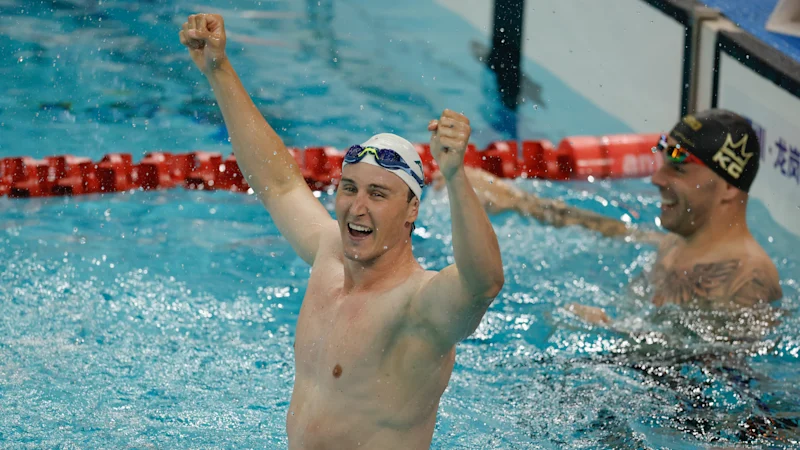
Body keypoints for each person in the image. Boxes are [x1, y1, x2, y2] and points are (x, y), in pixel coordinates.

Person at [179, 13, 504, 449]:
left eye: (378, 194)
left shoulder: (419, 307)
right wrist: (219, 69)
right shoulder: (329, 254)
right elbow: (278, 182)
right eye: (349, 188)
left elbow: (483, 283)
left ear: (412, 211)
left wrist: (456, 175)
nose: (357, 205)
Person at [447, 109, 782, 323]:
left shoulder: (748, 280)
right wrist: (520, 201)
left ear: (727, 189)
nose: (656, 179)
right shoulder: (677, 242)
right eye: (662, 163)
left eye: (677, 170)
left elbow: (721, 386)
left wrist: (613, 331)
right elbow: (607, 229)